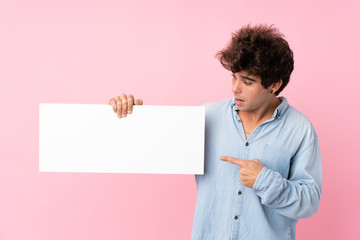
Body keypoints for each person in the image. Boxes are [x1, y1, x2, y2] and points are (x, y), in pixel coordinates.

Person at [108, 24, 322, 240]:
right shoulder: (206, 116)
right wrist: (133, 116)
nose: (235, 88)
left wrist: (265, 181)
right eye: (234, 76)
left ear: (274, 85)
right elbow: (154, 149)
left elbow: (310, 202)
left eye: (247, 81)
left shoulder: (300, 129)